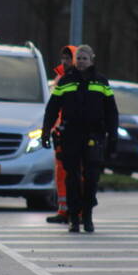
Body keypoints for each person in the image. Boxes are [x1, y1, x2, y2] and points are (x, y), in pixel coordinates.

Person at [41, 45, 118, 233]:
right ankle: (74, 218)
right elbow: (52, 109)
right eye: (79, 58)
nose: (81, 62)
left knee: (91, 177)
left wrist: (113, 135)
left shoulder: (101, 82)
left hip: (94, 135)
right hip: (71, 135)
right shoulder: (65, 81)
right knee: (72, 178)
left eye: (85, 58)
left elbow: (111, 111)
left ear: (92, 60)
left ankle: (88, 215)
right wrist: (45, 131)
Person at [46, 45, 76, 224]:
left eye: (68, 58)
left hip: (73, 132)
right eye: (63, 58)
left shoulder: (79, 79)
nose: (64, 62)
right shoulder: (60, 79)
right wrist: (50, 130)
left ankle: (77, 211)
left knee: (77, 173)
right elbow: (53, 109)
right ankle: (63, 210)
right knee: (61, 173)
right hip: (60, 133)